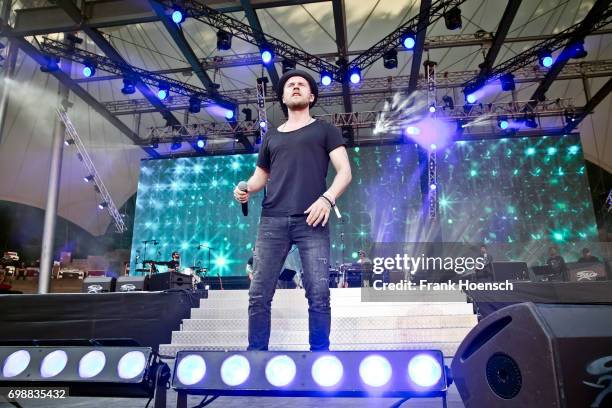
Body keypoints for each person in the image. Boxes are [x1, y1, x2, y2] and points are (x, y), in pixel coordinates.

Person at [234, 69, 352, 351]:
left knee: (319, 294)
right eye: (290, 85)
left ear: (311, 96)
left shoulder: (324, 130)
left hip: (312, 219)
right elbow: (260, 178)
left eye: (302, 84)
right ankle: (256, 356)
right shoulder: (272, 137)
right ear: (283, 97)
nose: (296, 86)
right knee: (259, 293)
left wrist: (327, 199)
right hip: (272, 221)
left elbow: (345, 172)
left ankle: (320, 356)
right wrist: (245, 188)